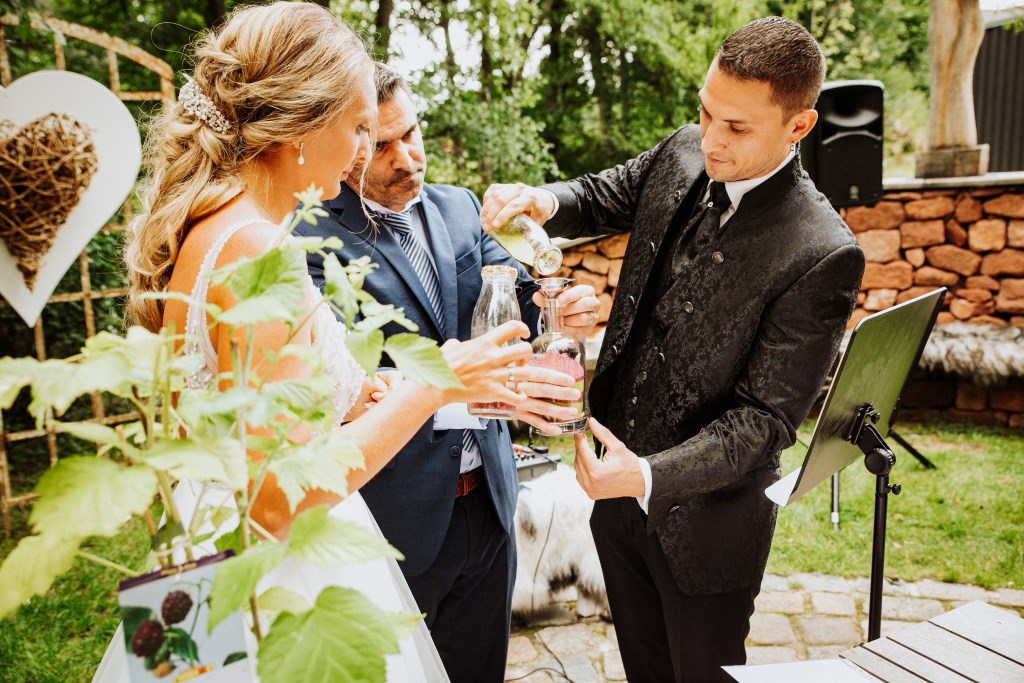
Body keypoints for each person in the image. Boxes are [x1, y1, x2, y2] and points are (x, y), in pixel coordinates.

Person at [100, 4, 571, 681]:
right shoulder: (258, 248)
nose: (359, 151)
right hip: (271, 587)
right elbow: (280, 500)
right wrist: (430, 384)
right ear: (303, 124)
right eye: (357, 127)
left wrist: (354, 391)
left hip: (201, 552)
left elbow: (251, 412)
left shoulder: (216, 225)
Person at [480, 17, 866, 683]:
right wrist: (544, 200)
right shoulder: (683, 149)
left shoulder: (824, 252)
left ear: (798, 127)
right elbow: (600, 197)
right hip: (613, 503)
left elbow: (763, 423)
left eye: (737, 127)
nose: (711, 138)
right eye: (706, 111)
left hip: (708, 532)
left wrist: (648, 475)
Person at [295, 64, 601, 683]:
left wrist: (558, 306)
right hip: (390, 510)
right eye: (381, 145)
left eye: (410, 133)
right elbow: (347, 381)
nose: (406, 157)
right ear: (348, 144)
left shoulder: (461, 208)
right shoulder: (309, 242)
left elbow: (517, 297)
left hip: (488, 503)